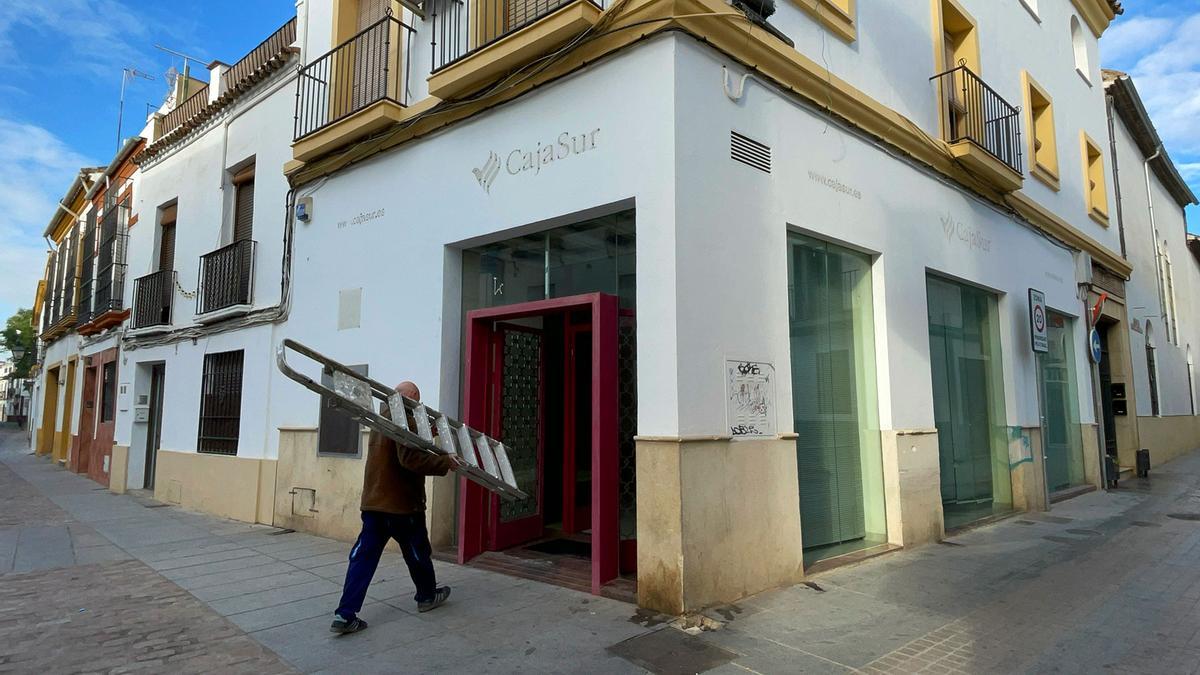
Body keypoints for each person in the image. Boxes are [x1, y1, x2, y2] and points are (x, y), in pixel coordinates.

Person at [331, 381, 462, 634]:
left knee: (362, 557)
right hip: (402, 505)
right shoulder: (406, 420)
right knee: (417, 553)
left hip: (375, 503)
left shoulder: (381, 419)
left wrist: (428, 434)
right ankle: (426, 596)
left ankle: (345, 613)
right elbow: (410, 458)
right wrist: (444, 462)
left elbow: (402, 449)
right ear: (410, 398)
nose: (418, 404)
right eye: (417, 399)